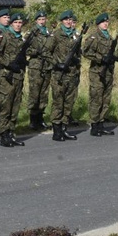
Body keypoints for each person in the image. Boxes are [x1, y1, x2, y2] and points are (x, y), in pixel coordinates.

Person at [0, 12, 27, 147]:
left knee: (15, 106)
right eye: (15, 23)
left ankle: (11, 133)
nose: (18, 25)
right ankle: (4, 134)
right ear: (11, 24)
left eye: (20, 23)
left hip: (19, 76)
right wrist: (7, 63)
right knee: (6, 106)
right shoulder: (4, 36)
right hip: (7, 76)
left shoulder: (20, 38)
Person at [82, 13, 116, 136]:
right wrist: (100, 58)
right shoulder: (94, 36)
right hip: (97, 72)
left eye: (107, 22)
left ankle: (101, 123)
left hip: (108, 72)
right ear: (98, 24)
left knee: (106, 99)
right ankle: (94, 125)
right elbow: (85, 52)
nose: (105, 24)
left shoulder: (110, 38)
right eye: (103, 22)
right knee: (96, 99)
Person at [49, 10, 81, 141]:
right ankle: (56, 130)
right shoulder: (56, 35)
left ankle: (64, 129)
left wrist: (76, 60)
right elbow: (46, 53)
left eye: (70, 20)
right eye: (66, 20)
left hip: (72, 74)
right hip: (59, 75)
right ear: (62, 21)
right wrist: (57, 64)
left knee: (69, 103)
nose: (68, 22)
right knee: (58, 102)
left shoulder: (76, 35)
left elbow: (79, 52)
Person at [26, 11, 53, 130]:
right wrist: (35, 52)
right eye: (40, 19)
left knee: (44, 93)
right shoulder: (31, 33)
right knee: (34, 93)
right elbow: (24, 49)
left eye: (44, 19)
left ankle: (40, 117)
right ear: (36, 21)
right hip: (36, 66)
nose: (42, 21)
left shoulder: (48, 33)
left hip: (47, 65)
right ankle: (33, 119)